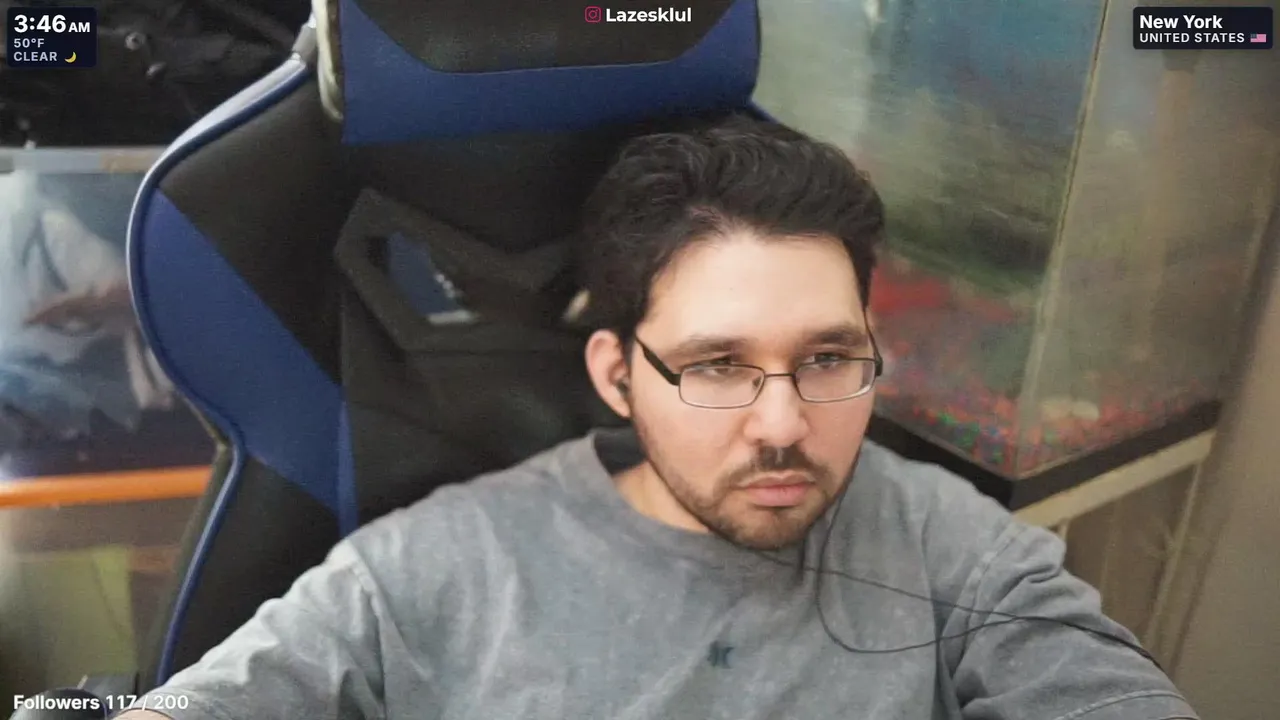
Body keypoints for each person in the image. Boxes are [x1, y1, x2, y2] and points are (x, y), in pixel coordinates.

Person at [118, 118, 1197, 719]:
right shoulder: (431, 571)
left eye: (827, 358)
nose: (783, 426)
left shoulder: (946, 545)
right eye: (718, 366)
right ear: (616, 374)